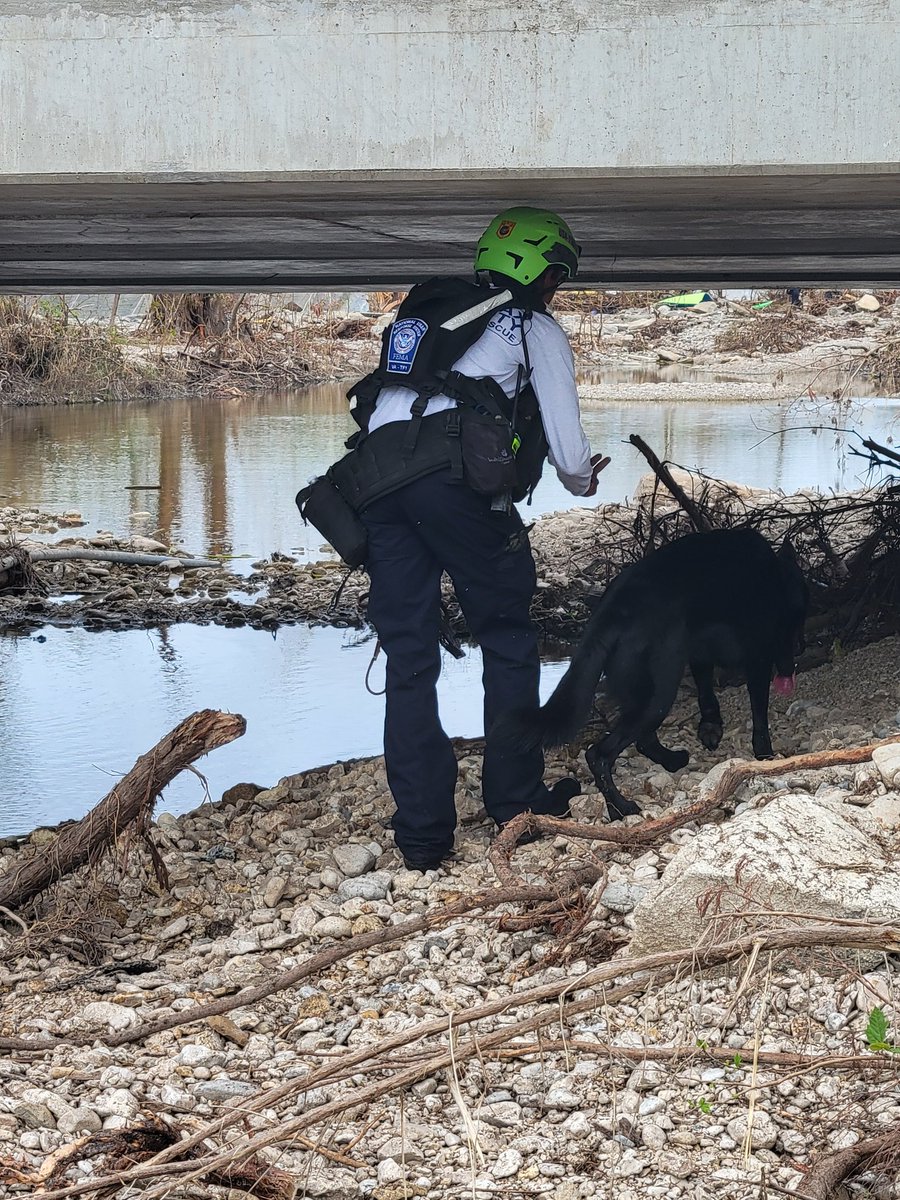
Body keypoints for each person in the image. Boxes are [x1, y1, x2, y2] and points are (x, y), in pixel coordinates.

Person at [357, 207, 609, 871]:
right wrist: (584, 481)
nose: (557, 289)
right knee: (507, 638)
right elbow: (568, 450)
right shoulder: (532, 326)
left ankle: (422, 838)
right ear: (541, 269)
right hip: (455, 489)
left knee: (410, 658)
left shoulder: (421, 315)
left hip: (378, 485)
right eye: (558, 275)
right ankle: (516, 801)